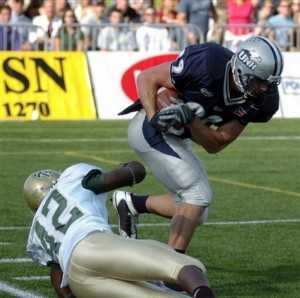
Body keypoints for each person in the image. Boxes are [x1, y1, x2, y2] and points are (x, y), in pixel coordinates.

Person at [115, 36, 284, 263]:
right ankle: (170, 271)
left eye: (269, 83)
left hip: (179, 137)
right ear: (242, 68)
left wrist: (191, 119)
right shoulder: (208, 62)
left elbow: (216, 143)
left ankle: (131, 204)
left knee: (198, 212)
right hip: (150, 130)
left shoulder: (263, 99)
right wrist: (153, 116)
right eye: (259, 81)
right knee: (197, 195)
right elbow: (147, 77)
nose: (264, 88)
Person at [24, 161, 215, 298]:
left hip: (78, 280)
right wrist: (127, 168)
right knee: (189, 267)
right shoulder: (71, 181)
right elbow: (136, 173)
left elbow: (58, 280)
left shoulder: (37, 230)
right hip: (92, 246)